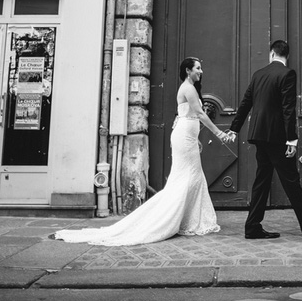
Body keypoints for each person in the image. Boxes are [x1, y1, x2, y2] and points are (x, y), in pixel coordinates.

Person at [52, 57, 229, 246]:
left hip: (187, 138)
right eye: (198, 68)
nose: (201, 72)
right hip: (184, 138)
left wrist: (194, 140)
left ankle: (188, 220)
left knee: (192, 177)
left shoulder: (190, 88)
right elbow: (200, 114)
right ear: (188, 70)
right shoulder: (188, 88)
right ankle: (166, 220)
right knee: (186, 179)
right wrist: (219, 133)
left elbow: (183, 116)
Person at [228, 40, 302, 242]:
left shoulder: (258, 74)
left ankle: (252, 226)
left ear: (271, 54)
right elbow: (288, 109)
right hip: (277, 137)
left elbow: (245, 103)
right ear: (286, 56)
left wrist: (235, 128)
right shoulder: (287, 74)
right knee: (292, 182)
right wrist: (292, 140)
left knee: (261, 181)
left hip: (259, 135)